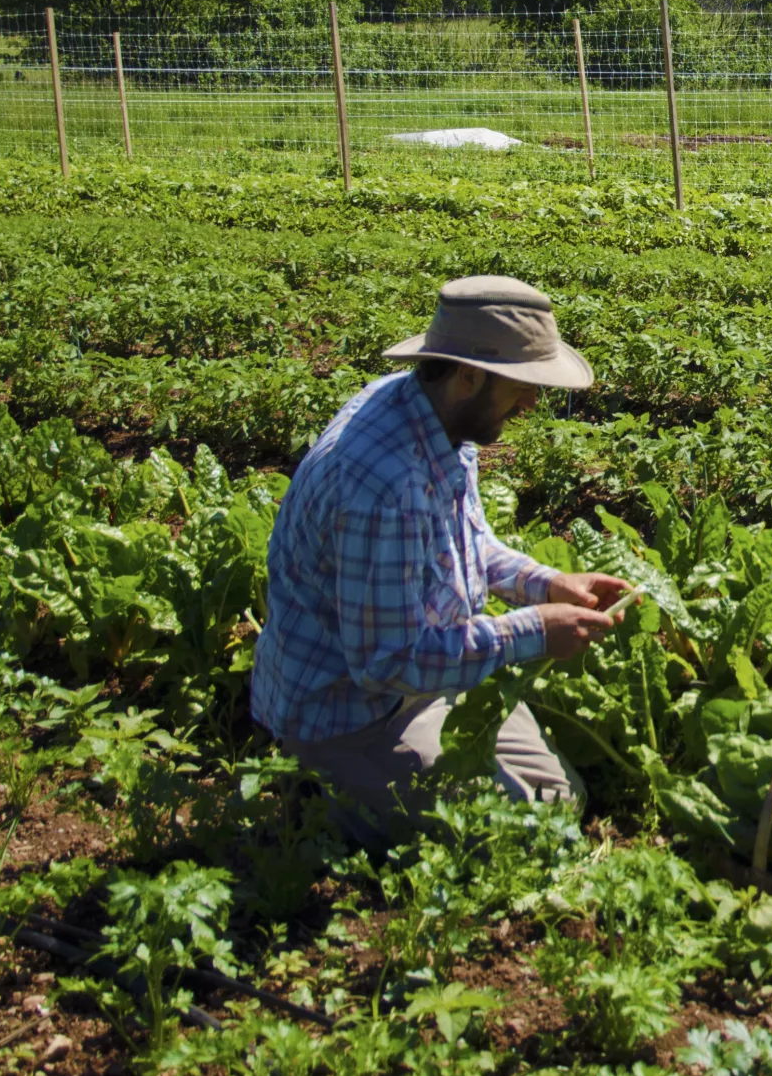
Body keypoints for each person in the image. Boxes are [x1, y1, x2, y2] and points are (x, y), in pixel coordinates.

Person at [251, 275, 628, 832]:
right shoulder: (383, 485)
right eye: (522, 384)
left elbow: (468, 542)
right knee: (527, 833)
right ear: (468, 376)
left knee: (558, 800)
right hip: (352, 714)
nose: (532, 402)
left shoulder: (440, 418)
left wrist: (547, 583)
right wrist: (534, 631)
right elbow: (387, 661)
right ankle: (317, 786)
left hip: (435, 678)